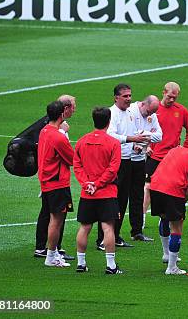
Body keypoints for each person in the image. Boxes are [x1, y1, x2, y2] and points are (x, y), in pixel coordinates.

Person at [96, 84, 151, 250]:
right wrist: (130, 139)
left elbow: (132, 134)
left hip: (131, 159)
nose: (129, 99)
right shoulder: (111, 113)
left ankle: (117, 235)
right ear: (116, 98)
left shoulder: (129, 113)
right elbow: (110, 135)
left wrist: (136, 144)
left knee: (125, 199)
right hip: (117, 161)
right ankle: (102, 239)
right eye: (125, 96)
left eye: (130, 95)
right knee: (114, 200)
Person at [144, 82, 188, 260]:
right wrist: (147, 146)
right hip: (156, 157)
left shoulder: (181, 111)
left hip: (173, 158)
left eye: (175, 97)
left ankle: (167, 252)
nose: (172, 99)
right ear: (163, 92)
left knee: (164, 199)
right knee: (148, 187)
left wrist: (186, 148)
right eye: (169, 96)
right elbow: (143, 129)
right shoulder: (155, 110)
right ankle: (141, 220)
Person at [73, 107, 123, 274]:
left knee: (84, 227)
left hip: (87, 193)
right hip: (106, 192)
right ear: (109, 122)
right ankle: (111, 266)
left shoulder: (81, 141)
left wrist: (87, 183)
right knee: (108, 228)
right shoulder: (113, 143)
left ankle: (81, 263)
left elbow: (77, 165)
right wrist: (98, 184)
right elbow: (113, 169)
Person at [35, 94, 76, 261]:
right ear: (62, 114)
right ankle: (52, 255)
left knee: (49, 216)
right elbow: (72, 159)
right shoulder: (58, 136)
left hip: (46, 180)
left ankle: (48, 252)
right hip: (57, 183)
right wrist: (64, 133)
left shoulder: (44, 131)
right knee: (56, 220)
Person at [150, 142, 188, 275]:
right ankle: (171, 267)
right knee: (177, 226)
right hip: (173, 189)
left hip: (155, 185)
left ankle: (166, 254)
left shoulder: (177, 149)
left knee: (164, 218)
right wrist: (181, 205)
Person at [128, 95, 162, 241]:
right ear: (142, 104)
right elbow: (124, 135)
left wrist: (143, 136)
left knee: (137, 196)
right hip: (126, 158)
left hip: (140, 159)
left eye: (152, 113)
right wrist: (137, 138)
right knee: (121, 197)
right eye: (148, 111)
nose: (150, 115)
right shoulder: (130, 111)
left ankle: (137, 231)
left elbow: (159, 136)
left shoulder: (152, 115)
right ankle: (112, 233)